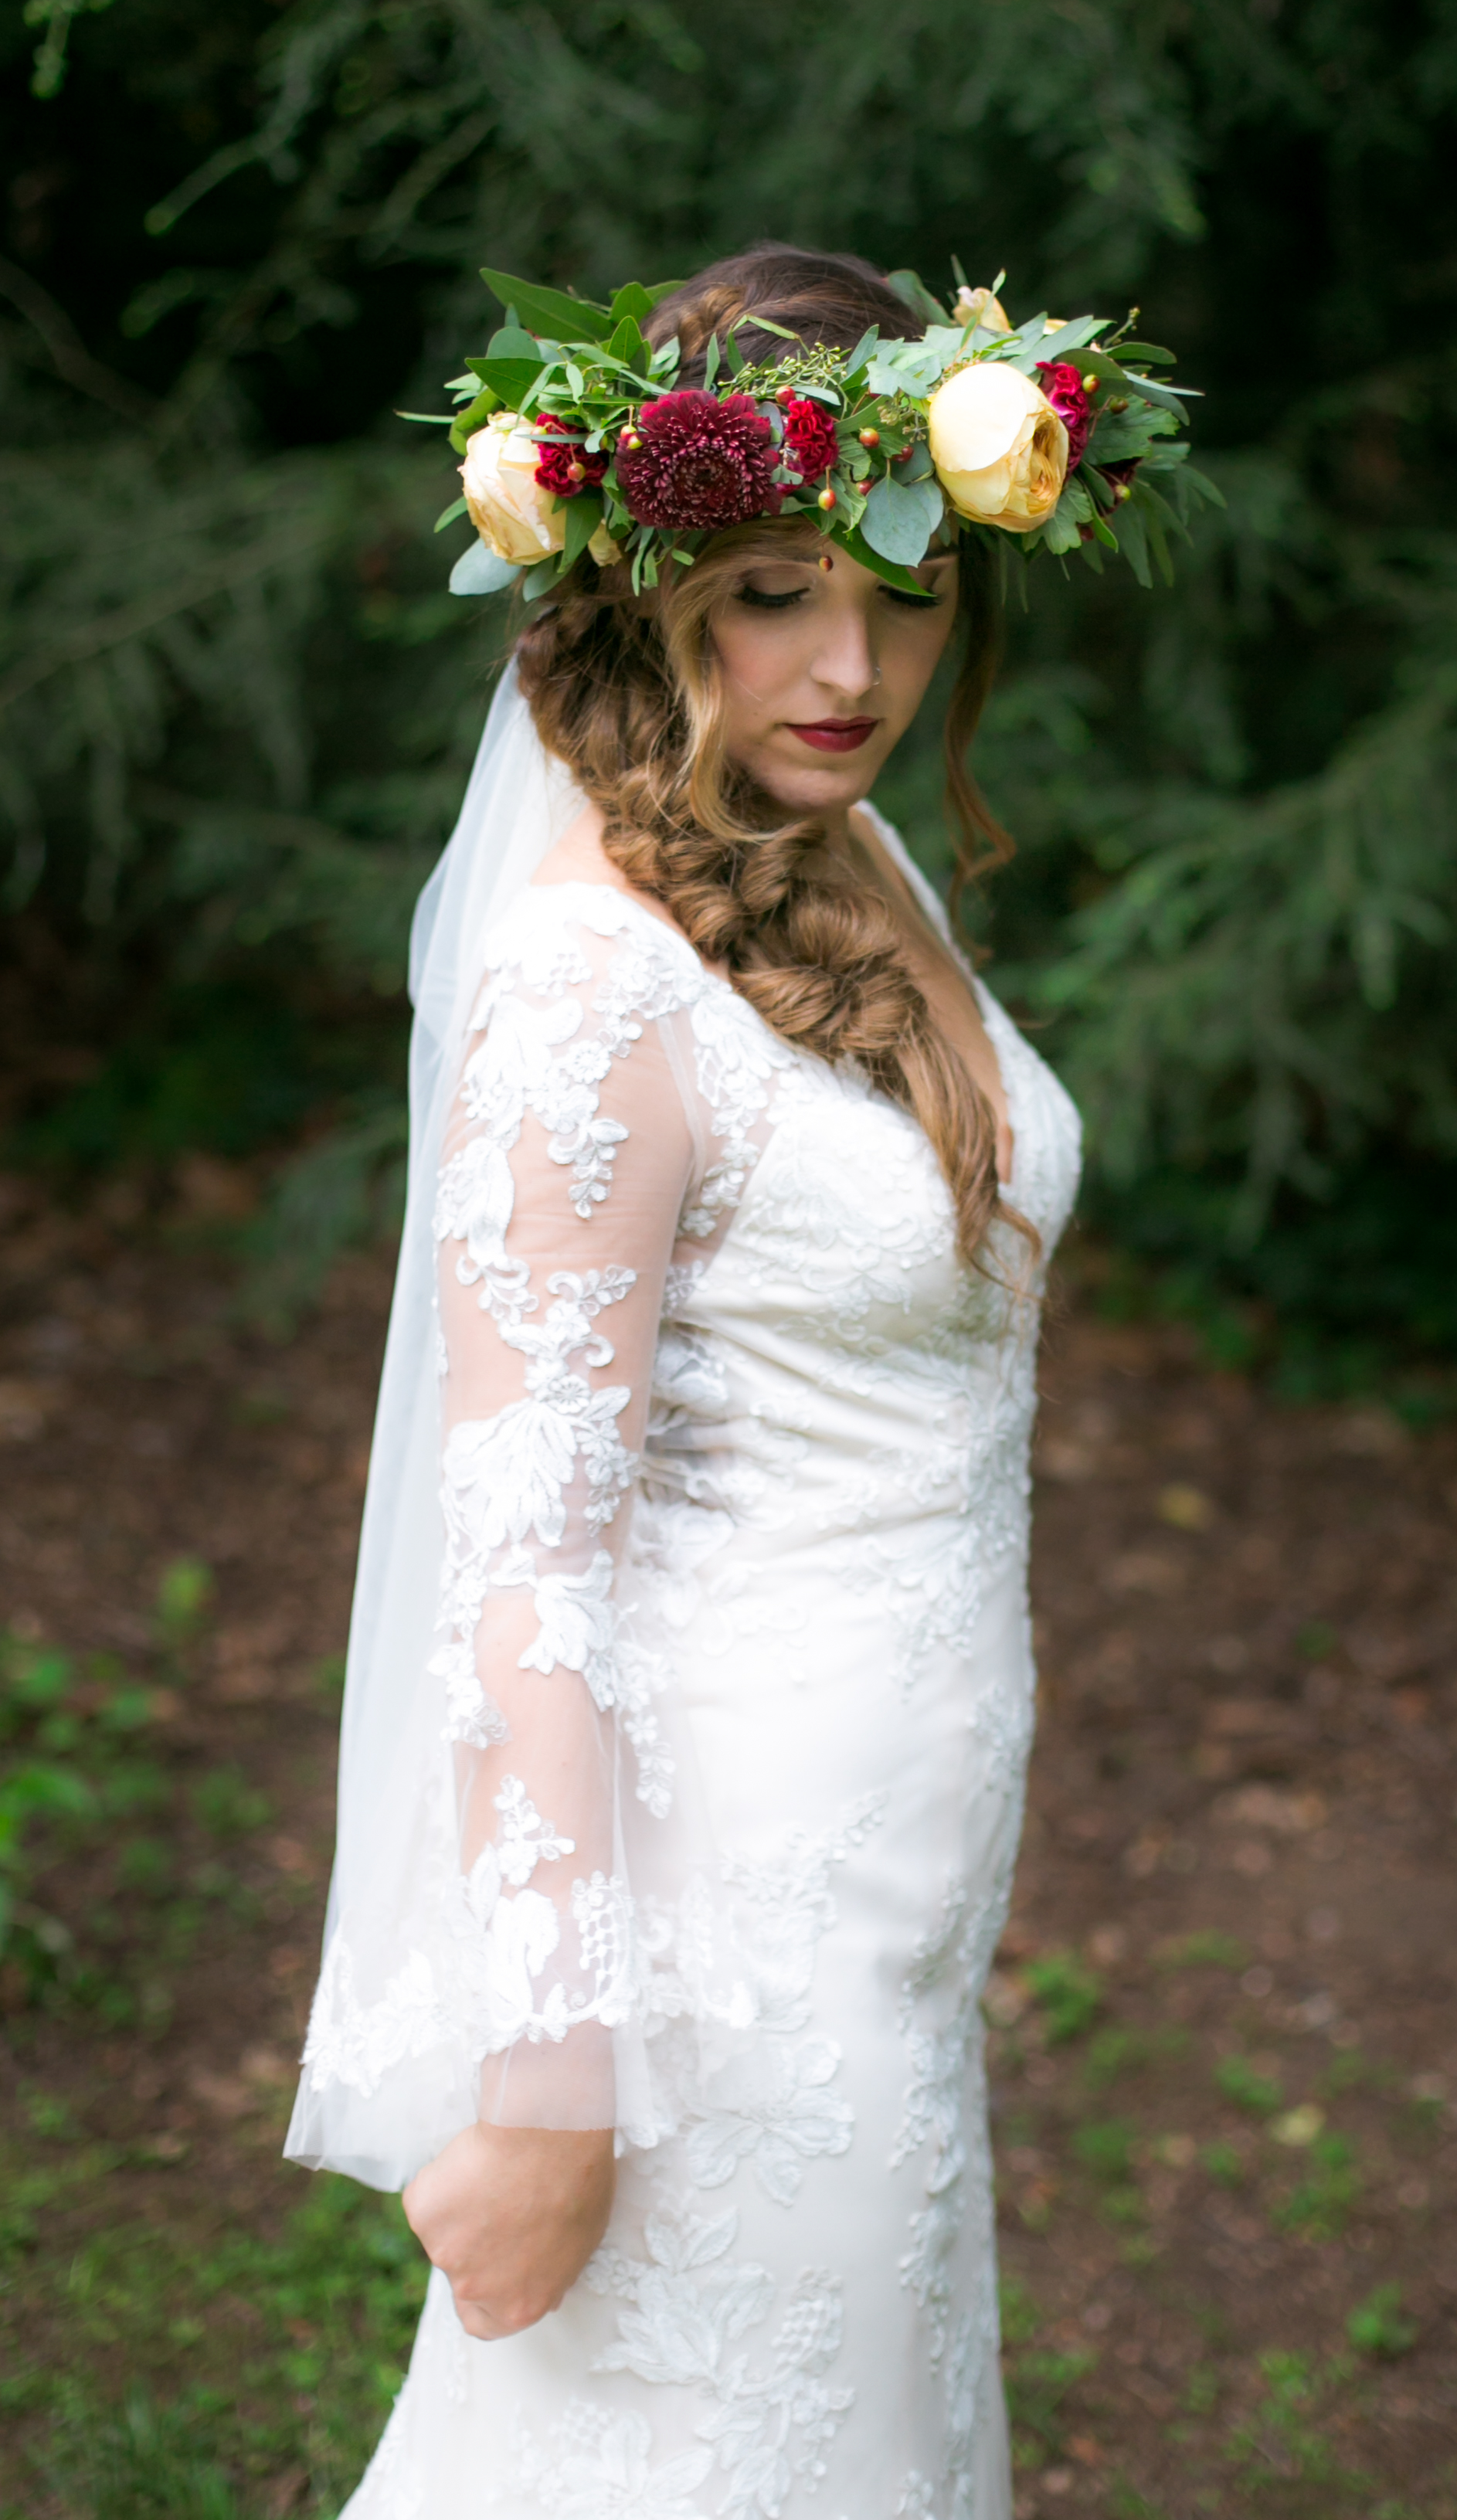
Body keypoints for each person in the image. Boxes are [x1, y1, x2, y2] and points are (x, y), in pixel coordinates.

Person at [285, 240, 1190, 2518]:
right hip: (718, 1943)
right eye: (776, 593)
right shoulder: (590, 991)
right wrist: (555, 2083)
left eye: (898, 597)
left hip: (885, 1891)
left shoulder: (830, 846)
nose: (854, 665)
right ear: (647, 585)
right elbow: (528, 1573)